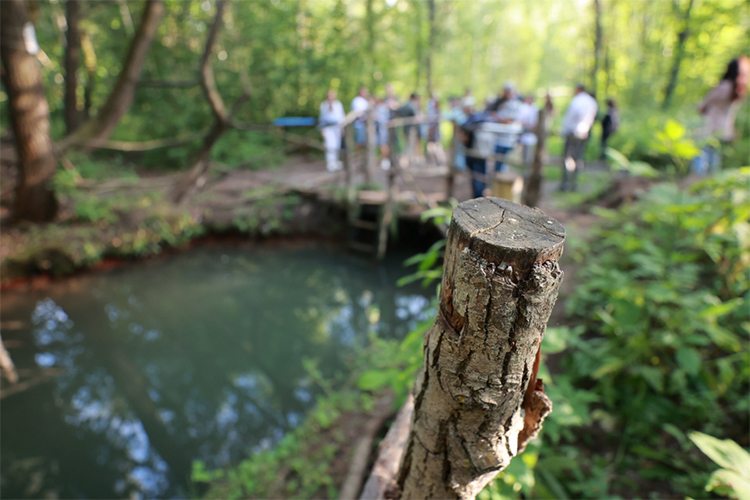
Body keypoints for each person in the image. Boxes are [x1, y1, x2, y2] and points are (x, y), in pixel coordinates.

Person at [692, 55, 750, 173]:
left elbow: (702, 105)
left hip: (708, 126)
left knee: (701, 154)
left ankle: (695, 181)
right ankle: (708, 185)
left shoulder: (724, 86)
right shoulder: (738, 91)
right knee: (714, 157)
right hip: (723, 128)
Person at [559, 84, 598, 191]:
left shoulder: (576, 101)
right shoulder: (592, 102)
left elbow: (569, 117)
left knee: (568, 157)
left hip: (572, 132)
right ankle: (574, 183)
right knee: (578, 157)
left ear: (578, 90)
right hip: (584, 133)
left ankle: (566, 184)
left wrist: (563, 130)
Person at [319, 89, 345, 172]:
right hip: (328, 128)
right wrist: (322, 130)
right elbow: (322, 118)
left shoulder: (338, 104)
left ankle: (336, 161)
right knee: (330, 145)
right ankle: (330, 163)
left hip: (337, 127)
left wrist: (342, 127)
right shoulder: (324, 105)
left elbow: (341, 116)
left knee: (337, 144)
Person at [518, 94, 540, 167]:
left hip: (533, 132)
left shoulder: (535, 108)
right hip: (525, 131)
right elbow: (520, 119)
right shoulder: (523, 107)